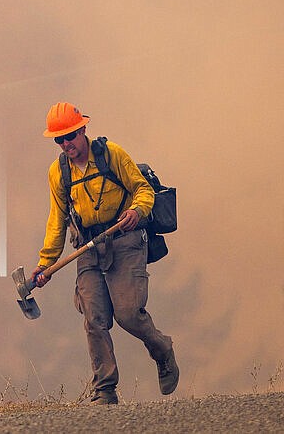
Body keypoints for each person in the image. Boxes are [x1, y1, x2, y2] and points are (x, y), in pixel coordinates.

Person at [31, 102, 179, 405]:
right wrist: (45, 263)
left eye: (69, 136)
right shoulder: (58, 172)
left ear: (83, 129)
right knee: (94, 318)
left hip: (125, 239)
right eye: (59, 140)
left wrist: (138, 211)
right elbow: (57, 220)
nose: (65, 144)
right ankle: (105, 390)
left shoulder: (112, 155)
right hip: (88, 247)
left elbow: (143, 189)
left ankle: (162, 350)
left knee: (128, 315)